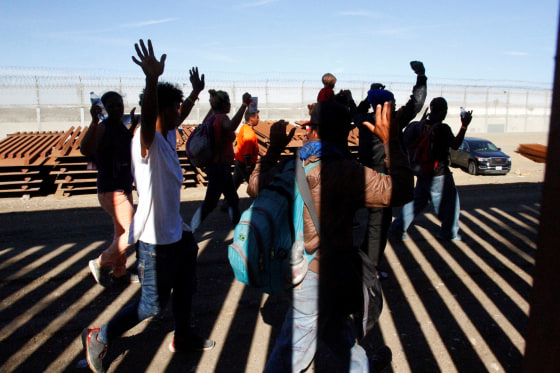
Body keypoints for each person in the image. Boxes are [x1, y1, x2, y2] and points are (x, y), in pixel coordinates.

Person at [248, 100, 414, 372]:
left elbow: (254, 185)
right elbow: (402, 190)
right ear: (343, 134)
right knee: (288, 358)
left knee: (337, 330)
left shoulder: (293, 166)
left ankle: (361, 369)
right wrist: (391, 140)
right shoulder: (348, 172)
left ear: (313, 131)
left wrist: (275, 147)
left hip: (300, 270)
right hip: (318, 278)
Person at [82, 39, 213, 373]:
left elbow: (174, 113)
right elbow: (155, 113)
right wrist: (152, 80)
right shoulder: (147, 139)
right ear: (162, 110)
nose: (179, 114)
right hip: (155, 240)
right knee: (152, 304)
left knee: (186, 288)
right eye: (176, 108)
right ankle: (101, 335)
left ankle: (182, 337)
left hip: (177, 235)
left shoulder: (168, 134)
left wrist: (196, 94)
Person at [354, 61, 427, 277]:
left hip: (365, 176)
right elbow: (416, 103)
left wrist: (369, 95)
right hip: (383, 178)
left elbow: (356, 112)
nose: (395, 105)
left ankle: (364, 263)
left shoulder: (364, 120)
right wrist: (421, 76)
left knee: (371, 223)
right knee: (378, 225)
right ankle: (370, 270)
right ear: (387, 105)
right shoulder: (392, 122)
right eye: (392, 102)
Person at [390, 97, 473, 241]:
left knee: (415, 204)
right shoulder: (442, 128)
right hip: (439, 173)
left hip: (423, 172)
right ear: (443, 112)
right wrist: (464, 126)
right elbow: (455, 145)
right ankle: (449, 232)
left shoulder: (421, 125)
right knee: (451, 204)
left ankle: (397, 228)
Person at [80, 91, 139, 287]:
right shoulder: (103, 127)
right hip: (111, 191)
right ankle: (100, 263)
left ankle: (120, 272)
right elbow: (85, 149)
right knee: (134, 231)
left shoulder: (119, 126)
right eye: (111, 105)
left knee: (121, 232)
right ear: (104, 108)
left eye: (119, 105)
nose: (116, 108)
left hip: (123, 187)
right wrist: (94, 122)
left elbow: (120, 147)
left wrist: (133, 127)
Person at [190, 89, 252, 233]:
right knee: (212, 203)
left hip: (216, 166)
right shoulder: (222, 118)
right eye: (228, 102)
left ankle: (237, 230)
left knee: (231, 200)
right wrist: (243, 106)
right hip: (219, 167)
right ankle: (190, 229)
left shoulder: (211, 117)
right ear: (224, 105)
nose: (230, 105)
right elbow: (231, 126)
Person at [221, 105, 260, 212]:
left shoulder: (244, 128)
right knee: (254, 184)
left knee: (234, 183)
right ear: (251, 119)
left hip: (239, 161)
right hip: (245, 163)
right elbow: (247, 151)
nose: (259, 119)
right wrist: (248, 165)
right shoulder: (249, 132)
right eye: (258, 117)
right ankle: (261, 203)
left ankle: (225, 204)